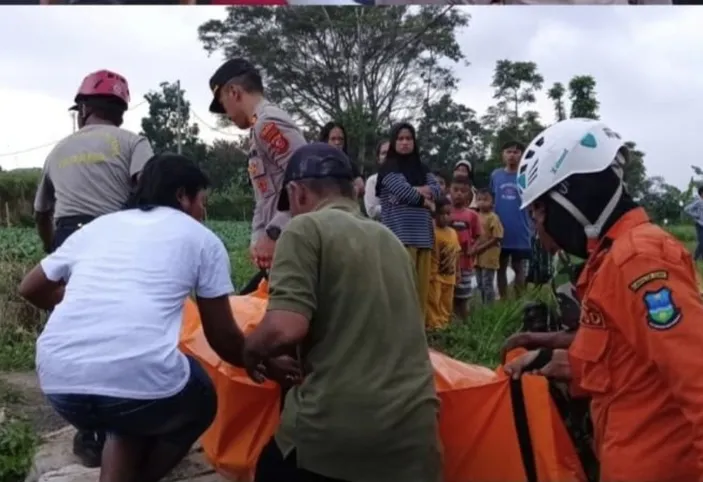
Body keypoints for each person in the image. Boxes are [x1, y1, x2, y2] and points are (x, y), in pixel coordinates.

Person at [19, 154, 300, 482]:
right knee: (196, 395)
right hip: (131, 379)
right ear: (183, 195)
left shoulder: (99, 227)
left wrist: (82, 301)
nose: (202, 212)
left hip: (58, 380)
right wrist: (263, 364)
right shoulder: (200, 239)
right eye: (201, 202)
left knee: (130, 411)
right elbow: (223, 339)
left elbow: (30, 288)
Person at [504, 118, 703, 482]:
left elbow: (697, 378)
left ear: (571, 196)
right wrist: (553, 359)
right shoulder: (608, 262)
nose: (540, 228)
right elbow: (626, 364)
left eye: (540, 211)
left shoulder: (640, 260)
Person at [243, 142, 442, 482]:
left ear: (297, 192)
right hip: (417, 440)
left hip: (338, 439)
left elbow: (284, 327)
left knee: (269, 467)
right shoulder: (391, 241)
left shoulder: (305, 229)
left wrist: (249, 351)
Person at [32, 69, 154, 468]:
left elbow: (41, 212)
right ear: (120, 110)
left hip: (70, 240)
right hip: (116, 238)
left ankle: (88, 433)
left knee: (78, 331)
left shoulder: (59, 150)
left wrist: (54, 248)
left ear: (83, 108)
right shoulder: (134, 142)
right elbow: (149, 188)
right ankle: (126, 423)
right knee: (121, 331)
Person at [208, 58, 307, 270]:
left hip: (294, 244)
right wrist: (258, 238)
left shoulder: (268, 122)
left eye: (224, 105)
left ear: (234, 92)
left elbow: (307, 179)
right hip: (281, 250)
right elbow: (264, 198)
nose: (227, 115)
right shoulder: (257, 129)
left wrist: (274, 232)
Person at [376, 122, 442, 319]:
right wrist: (424, 199)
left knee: (420, 293)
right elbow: (405, 193)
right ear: (394, 141)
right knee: (400, 291)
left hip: (423, 239)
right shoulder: (388, 169)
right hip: (399, 239)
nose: (405, 143)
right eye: (400, 139)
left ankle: (418, 336)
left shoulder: (422, 168)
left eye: (409, 139)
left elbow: (437, 190)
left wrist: (416, 192)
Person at [489, 141, 532, 298]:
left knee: (518, 267)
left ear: (522, 155)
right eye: (508, 152)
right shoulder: (496, 175)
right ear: (503, 155)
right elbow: (491, 199)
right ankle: (504, 301)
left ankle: (520, 302)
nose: (512, 155)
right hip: (500, 230)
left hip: (521, 228)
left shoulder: (525, 175)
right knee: (500, 267)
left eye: (516, 152)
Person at [449, 176, 482, 318]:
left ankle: (464, 326)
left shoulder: (472, 215)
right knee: (448, 295)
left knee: (463, 298)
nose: (459, 194)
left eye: (463, 191)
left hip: (465, 264)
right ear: (449, 191)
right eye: (455, 190)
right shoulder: (445, 213)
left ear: (469, 194)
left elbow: (479, 236)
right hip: (447, 263)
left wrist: (473, 249)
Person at [427, 197, 461, 330]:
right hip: (435, 277)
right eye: (442, 214)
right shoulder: (432, 232)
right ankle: (434, 326)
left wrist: (458, 272)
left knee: (446, 304)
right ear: (435, 215)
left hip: (449, 276)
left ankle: (445, 326)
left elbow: (457, 252)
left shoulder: (452, 232)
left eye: (448, 213)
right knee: (434, 303)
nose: (446, 217)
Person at [473, 188, 504, 304]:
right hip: (477, 256)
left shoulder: (493, 217)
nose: (481, 202)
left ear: (492, 203)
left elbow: (497, 237)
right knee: (480, 283)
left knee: (487, 283)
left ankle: (489, 308)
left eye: (485, 200)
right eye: (479, 199)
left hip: (489, 255)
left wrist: (481, 248)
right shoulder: (475, 216)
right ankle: (483, 305)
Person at [319, 121, 365, 196]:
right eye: (333, 139)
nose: (337, 142)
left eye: (340, 139)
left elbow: (361, 187)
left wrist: (355, 189)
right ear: (326, 141)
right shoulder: (317, 163)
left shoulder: (349, 163)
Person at [363, 139, 389, 220]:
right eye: (384, 153)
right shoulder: (373, 181)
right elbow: (372, 211)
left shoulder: (406, 179)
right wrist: (399, 208)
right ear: (378, 158)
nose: (387, 156)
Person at [684, 185, 703, 261]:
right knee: (702, 242)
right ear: (701, 193)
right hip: (699, 224)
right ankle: (694, 259)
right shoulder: (698, 201)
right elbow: (687, 209)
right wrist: (696, 215)